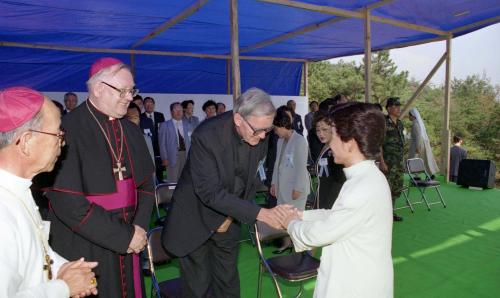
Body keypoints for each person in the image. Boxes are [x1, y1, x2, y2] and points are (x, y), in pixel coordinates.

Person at [162, 88, 287, 297]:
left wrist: (229, 216)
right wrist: (262, 214)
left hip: (230, 218)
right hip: (196, 218)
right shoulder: (206, 135)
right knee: (199, 287)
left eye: (268, 129)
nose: (264, 136)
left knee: (227, 282)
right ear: (238, 119)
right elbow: (208, 191)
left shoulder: (260, 136)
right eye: (258, 130)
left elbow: (246, 183)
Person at [47, 57, 155, 298]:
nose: (130, 97)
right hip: (87, 242)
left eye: (132, 90)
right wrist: (123, 236)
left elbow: (147, 185)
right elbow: (68, 203)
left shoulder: (131, 130)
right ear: (98, 89)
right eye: (124, 91)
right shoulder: (68, 129)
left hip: (131, 235)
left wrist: (138, 227)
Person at [279, 102, 393, 298]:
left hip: (355, 286)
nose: (330, 142)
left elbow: (319, 235)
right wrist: (301, 215)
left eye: (334, 134)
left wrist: (289, 222)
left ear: (350, 143)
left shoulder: (362, 186)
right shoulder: (366, 178)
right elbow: (337, 216)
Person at [0, 86, 98, 297]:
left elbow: (30, 256)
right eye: (58, 134)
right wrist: (63, 287)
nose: (62, 143)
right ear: (26, 142)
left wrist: (61, 269)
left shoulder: (18, 188)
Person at [270, 106, 310, 253]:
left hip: (295, 188)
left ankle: (299, 246)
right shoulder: (280, 141)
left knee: (296, 218)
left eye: (276, 128)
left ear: (282, 125)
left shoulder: (299, 141)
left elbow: (301, 166)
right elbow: (277, 163)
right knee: (284, 217)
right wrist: (274, 183)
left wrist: (298, 188)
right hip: (282, 186)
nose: (275, 131)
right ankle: (286, 243)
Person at [313, 111, 346, 209]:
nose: (321, 134)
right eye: (318, 130)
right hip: (322, 193)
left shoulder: (336, 151)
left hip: (332, 199)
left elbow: (339, 180)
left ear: (334, 130)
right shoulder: (326, 146)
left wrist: (329, 205)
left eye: (324, 130)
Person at [380, 97, 405, 222]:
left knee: (396, 187)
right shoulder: (383, 122)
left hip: (399, 161)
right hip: (388, 161)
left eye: (399, 106)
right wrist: (382, 161)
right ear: (389, 108)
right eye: (396, 106)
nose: (399, 108)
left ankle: (391, 212)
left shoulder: (400, 123)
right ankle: (382, 214)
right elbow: (379, 143)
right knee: (386, 188)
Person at [159, 102, 191, 183]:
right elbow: (162, 144)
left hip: (185, 156)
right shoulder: (164, 125)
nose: (179, 112)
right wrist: (164, 158)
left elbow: (190, 142)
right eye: (176, 110)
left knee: (184, 180)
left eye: (180, 110)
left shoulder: (187, 124)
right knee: (172, 181)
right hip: (171, 157)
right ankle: (171, 195)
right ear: (171, 112)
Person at [408, 108, 439, 177]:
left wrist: (417, 147)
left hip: (418, 144)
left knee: (415, 160)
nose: (409, 117)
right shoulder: (417, 123)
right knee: (424, 160)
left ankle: (416, 176)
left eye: (409, 115)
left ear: (413, 116)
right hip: (421, 144)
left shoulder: (415, 124)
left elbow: (418, 136)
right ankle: (429, 174)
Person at [142, 96, 165, 182]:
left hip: (160, 148)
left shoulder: (160, 115)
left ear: (154, 105)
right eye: (147, 104)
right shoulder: (141, 117)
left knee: (162, 170)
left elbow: (163, 131)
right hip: (148, 148)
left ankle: (163, 183)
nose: (149, 106)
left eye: (151, 104)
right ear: (144, 105)